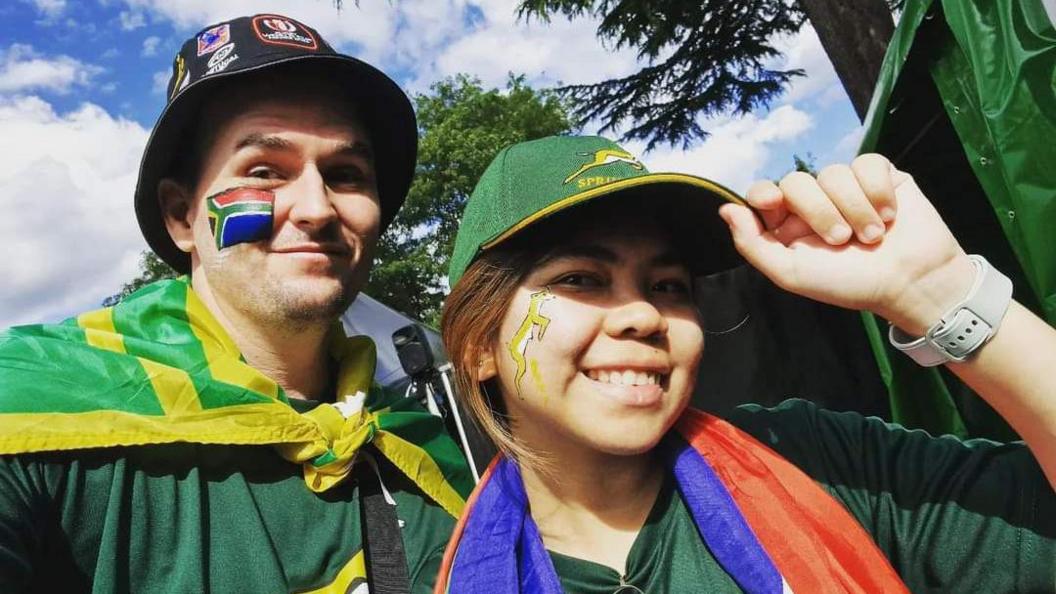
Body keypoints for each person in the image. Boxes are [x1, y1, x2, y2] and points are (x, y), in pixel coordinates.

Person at [435, 135, 1056, 593]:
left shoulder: (819, 461)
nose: (644, 316)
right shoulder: (433, 563)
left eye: (668, 285)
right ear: (478, 347)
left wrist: (942, 295)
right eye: (580, 278)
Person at [0, 14, 472, 593]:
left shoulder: (423, 451)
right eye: (265, 171)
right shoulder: (40, 409)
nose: (317, 208)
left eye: (346, 174)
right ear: (181, 217)